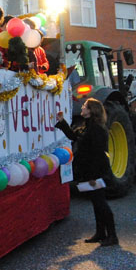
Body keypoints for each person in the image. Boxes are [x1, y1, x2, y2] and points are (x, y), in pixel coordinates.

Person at [56, 99, 118, 246]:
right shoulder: (87, 126)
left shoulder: (97, 129)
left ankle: (112, 236)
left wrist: (93, 177)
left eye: (85, 106)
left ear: (91, 110)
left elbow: (98, 154)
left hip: (95, 172)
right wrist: (62, 122)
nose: (82, 108)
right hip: (89, 170)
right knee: (96, 202)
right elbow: (74, 136)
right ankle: (101, 233)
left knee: (101, 203)